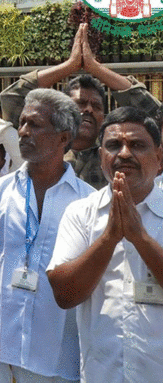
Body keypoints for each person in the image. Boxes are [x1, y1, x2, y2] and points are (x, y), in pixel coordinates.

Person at [0, 88, 95, 383]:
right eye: (22, 123)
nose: (22, 131)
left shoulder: (89, 204)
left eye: (35, 125)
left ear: (63, 138)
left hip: (59, 362)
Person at [47, 107, 163, 381]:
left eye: (136, 145)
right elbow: (64, 294)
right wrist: (109, 238)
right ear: (102, 158)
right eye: (113, 145)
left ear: (159, 158)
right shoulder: (81, 212)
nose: (124, 153)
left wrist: (140, 238)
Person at [0, 23, 160, 190]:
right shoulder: (47, 146)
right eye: (80, 104)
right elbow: (12, 99)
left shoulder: (113, 155)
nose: (88, 110)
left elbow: (156, 114)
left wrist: (94, 67)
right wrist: (70, 65)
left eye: (96, 106)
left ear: (103, 117)